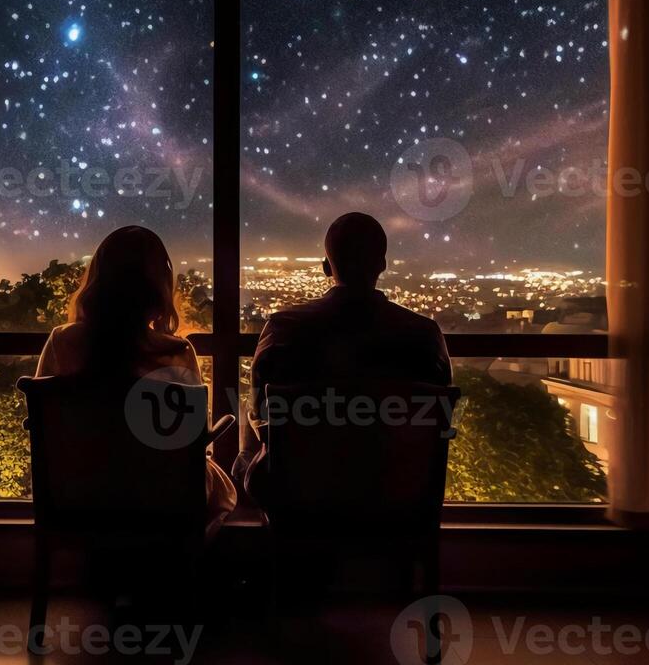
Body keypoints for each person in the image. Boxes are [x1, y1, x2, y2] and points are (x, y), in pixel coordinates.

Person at [234, 212, 453, 500]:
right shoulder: (425, 336)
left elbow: (260, 417)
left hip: (301, 503)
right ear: (382, 265)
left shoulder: (282, 329)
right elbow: (441, 422)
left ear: (326, 267)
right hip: (395, 502)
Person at [35, 225, 237, 523]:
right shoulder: (177, 352)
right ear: (159, 288)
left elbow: (44, 423)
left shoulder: (62, 342)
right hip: (160, 498)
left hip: (81, 493)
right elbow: (190, 439)